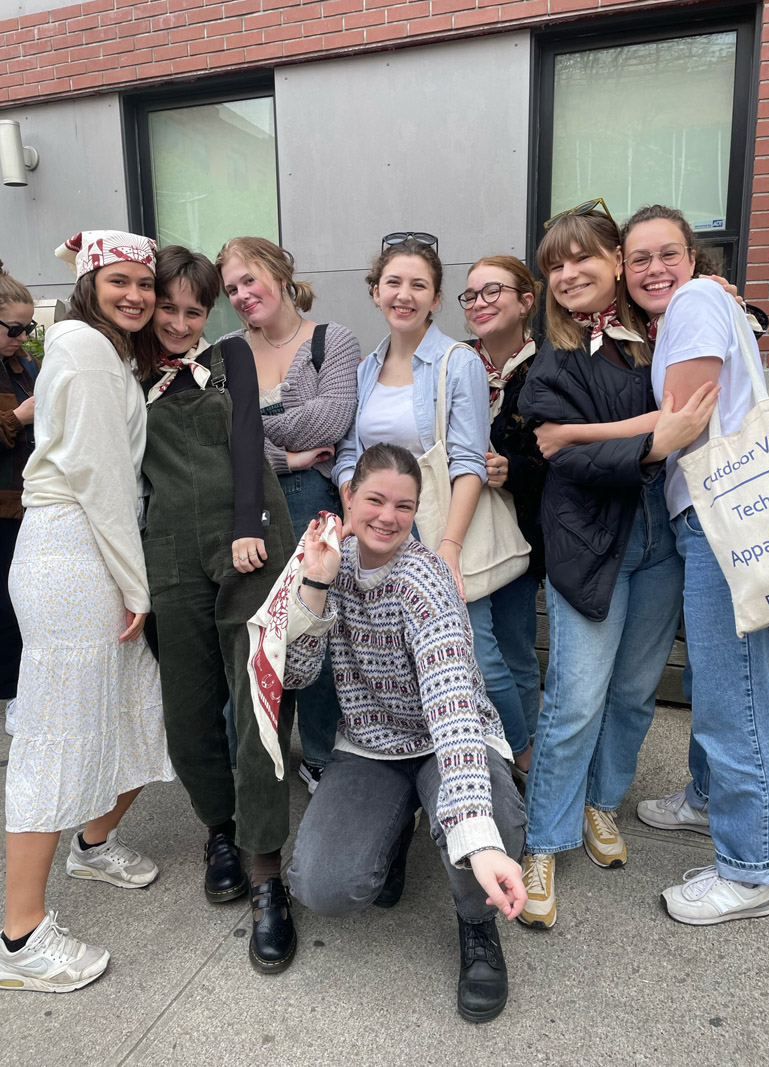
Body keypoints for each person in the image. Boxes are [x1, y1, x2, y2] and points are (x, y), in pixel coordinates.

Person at [515, 204, 717, 930]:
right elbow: (561, 453)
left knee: (634, 692)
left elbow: (718, 340)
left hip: (662, 537)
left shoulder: (659, 334)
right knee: (574, 698)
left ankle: (602, 803)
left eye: (583, 259)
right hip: (589, 542)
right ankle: (544, 839)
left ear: (617, 264)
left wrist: (722, 293)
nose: (568, 274)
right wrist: (656, 443)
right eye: (555, 265)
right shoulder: (551, 361)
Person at [285, 443, 527, 1023]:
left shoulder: (424, 581)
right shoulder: (322, 559)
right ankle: (395, 828)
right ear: (348, 496)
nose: (388, 516)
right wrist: (314, 587)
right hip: (368, 742)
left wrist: (478, 835)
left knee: (493, 821)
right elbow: (294, 674)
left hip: (444, 742)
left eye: (404, 505)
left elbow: (452, 704)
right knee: (324, 886)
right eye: (374, 499)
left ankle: (476, 923)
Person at [0, 231, 174, 994]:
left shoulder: (95, 351)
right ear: (88, 284)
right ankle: (19, 934)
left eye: (145, 282)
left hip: (88, 548)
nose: (136, 294)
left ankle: (94, 842)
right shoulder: (86, 349)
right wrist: (137, 586)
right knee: (55, 733)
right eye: (120, 281)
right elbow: (102, 480)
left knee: (138, 709)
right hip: (76, 552)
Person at [620, 205, 769, 924]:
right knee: (728, 679)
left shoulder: (693, 302)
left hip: (723, 521)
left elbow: (677, 422)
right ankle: (706, 797)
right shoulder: (705, 305)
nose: (653, 268)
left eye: (667, 253)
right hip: (713, 520)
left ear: (693, 257)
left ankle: (748, 870)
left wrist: (563, 435)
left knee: (732, 692)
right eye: (638, 259)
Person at [141, 245, 298, 972]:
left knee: (259, 705)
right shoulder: (125, 369)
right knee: (187, 710)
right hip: (168, 550)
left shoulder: (231, 355)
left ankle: (267, 873)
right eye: (167, 307)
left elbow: (245, 440)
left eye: (192, 310)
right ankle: (221, 829)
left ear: (211, 313)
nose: (178, 322)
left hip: (250, 540)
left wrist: (245, 525)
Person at [333, 234, 523, 738]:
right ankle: (430, 752)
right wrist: (355, 513)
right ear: (375, 291)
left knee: (473, 648)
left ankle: (520, 755)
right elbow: (350, 454)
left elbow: (468, 460)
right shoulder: (364, 370)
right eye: (393, 282)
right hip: (380, 523)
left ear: (436, 299)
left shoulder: (456, 362)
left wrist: (449, 549)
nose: (405, 294)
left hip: (441, 522)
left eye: (420, 285)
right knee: (397, 650)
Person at [216, 237, 360, 793]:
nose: (242, 295)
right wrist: (288, 453)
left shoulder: (332, 340)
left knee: (318, 626)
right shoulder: (227, 349)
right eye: (231, 289)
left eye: (250, 280)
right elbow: (225, 438)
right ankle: (248, 757)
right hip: (250, 504)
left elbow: (331, 420)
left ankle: (324, 755)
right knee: (254, 630)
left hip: (312, 504)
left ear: (280, 272)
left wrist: (258, 427)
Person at [459, 255, 547, 773]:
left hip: (524, 527)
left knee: (515, 647)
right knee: (478, 648)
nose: (479, 303)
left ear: (525, 301)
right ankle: (514, 746)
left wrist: (511, 468)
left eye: (493, 291)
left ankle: (527, 753)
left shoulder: (551, 365)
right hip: (465, 525)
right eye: (471, 295)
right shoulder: (457, 361)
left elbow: (566, 459)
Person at [0, 263, 39, 737]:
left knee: (20, 600)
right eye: (13, 328)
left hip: (29, 499)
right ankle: (12, 695)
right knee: (7, 605)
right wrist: (20, 417)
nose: (22, 336)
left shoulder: (25, 362)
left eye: (28, 328)